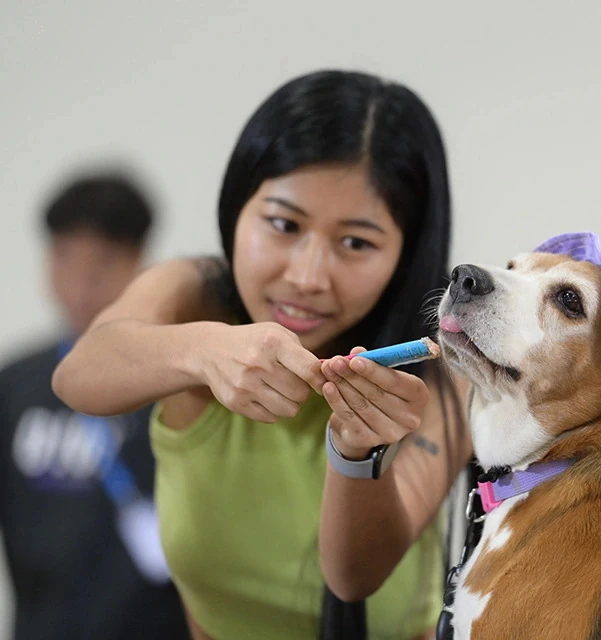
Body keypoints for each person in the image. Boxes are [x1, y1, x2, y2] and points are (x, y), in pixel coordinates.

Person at [52, 70, 473, 640]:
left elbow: (354, 578)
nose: (306, 276)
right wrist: (201, 349)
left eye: (356, 242)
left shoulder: (438, 377)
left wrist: (355, 455)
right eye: (282, 223)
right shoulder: (195, 295)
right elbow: (78, 375)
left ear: (406, 251)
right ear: (236, 208)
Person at [0, 172, 190, 639]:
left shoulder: (175, 383)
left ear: (140, 266)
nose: (80, 285)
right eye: (65, 259)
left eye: (103, 264)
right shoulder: (15, 383)